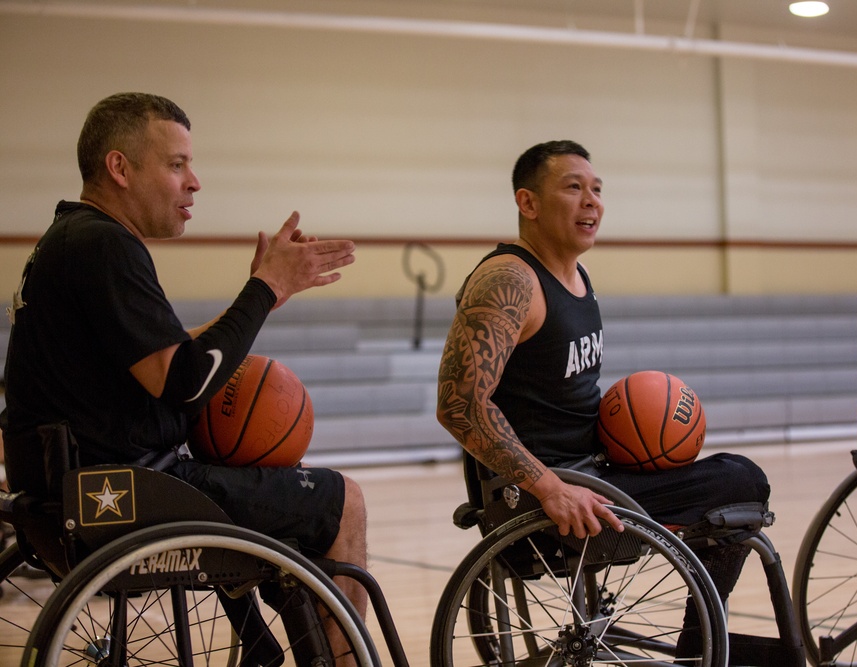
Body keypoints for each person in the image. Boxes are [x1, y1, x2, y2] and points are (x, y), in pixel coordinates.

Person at [0, 92, 368, 656]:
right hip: (129, 490)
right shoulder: (104, 245)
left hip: (70, 488)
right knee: (343, 500)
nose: (194, 182)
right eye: (177, 164)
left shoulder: (71, 239)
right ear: (119, 167)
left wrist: (261, 303)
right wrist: (263, 287)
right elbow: (184, 381)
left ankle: (276, 638)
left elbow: (165, 355)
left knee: (262, 485)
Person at [436, 139, 771, 656]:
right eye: (573, 188)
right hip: (545, 496)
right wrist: (549, 488)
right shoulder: (509, 280)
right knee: (740, 481)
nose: (592, 201)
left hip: (592, 471)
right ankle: (700, 650)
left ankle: (702, 645)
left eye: (597, 189)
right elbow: (460, 404)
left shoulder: (577, 277)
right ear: (528, 203)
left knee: (734, 475)